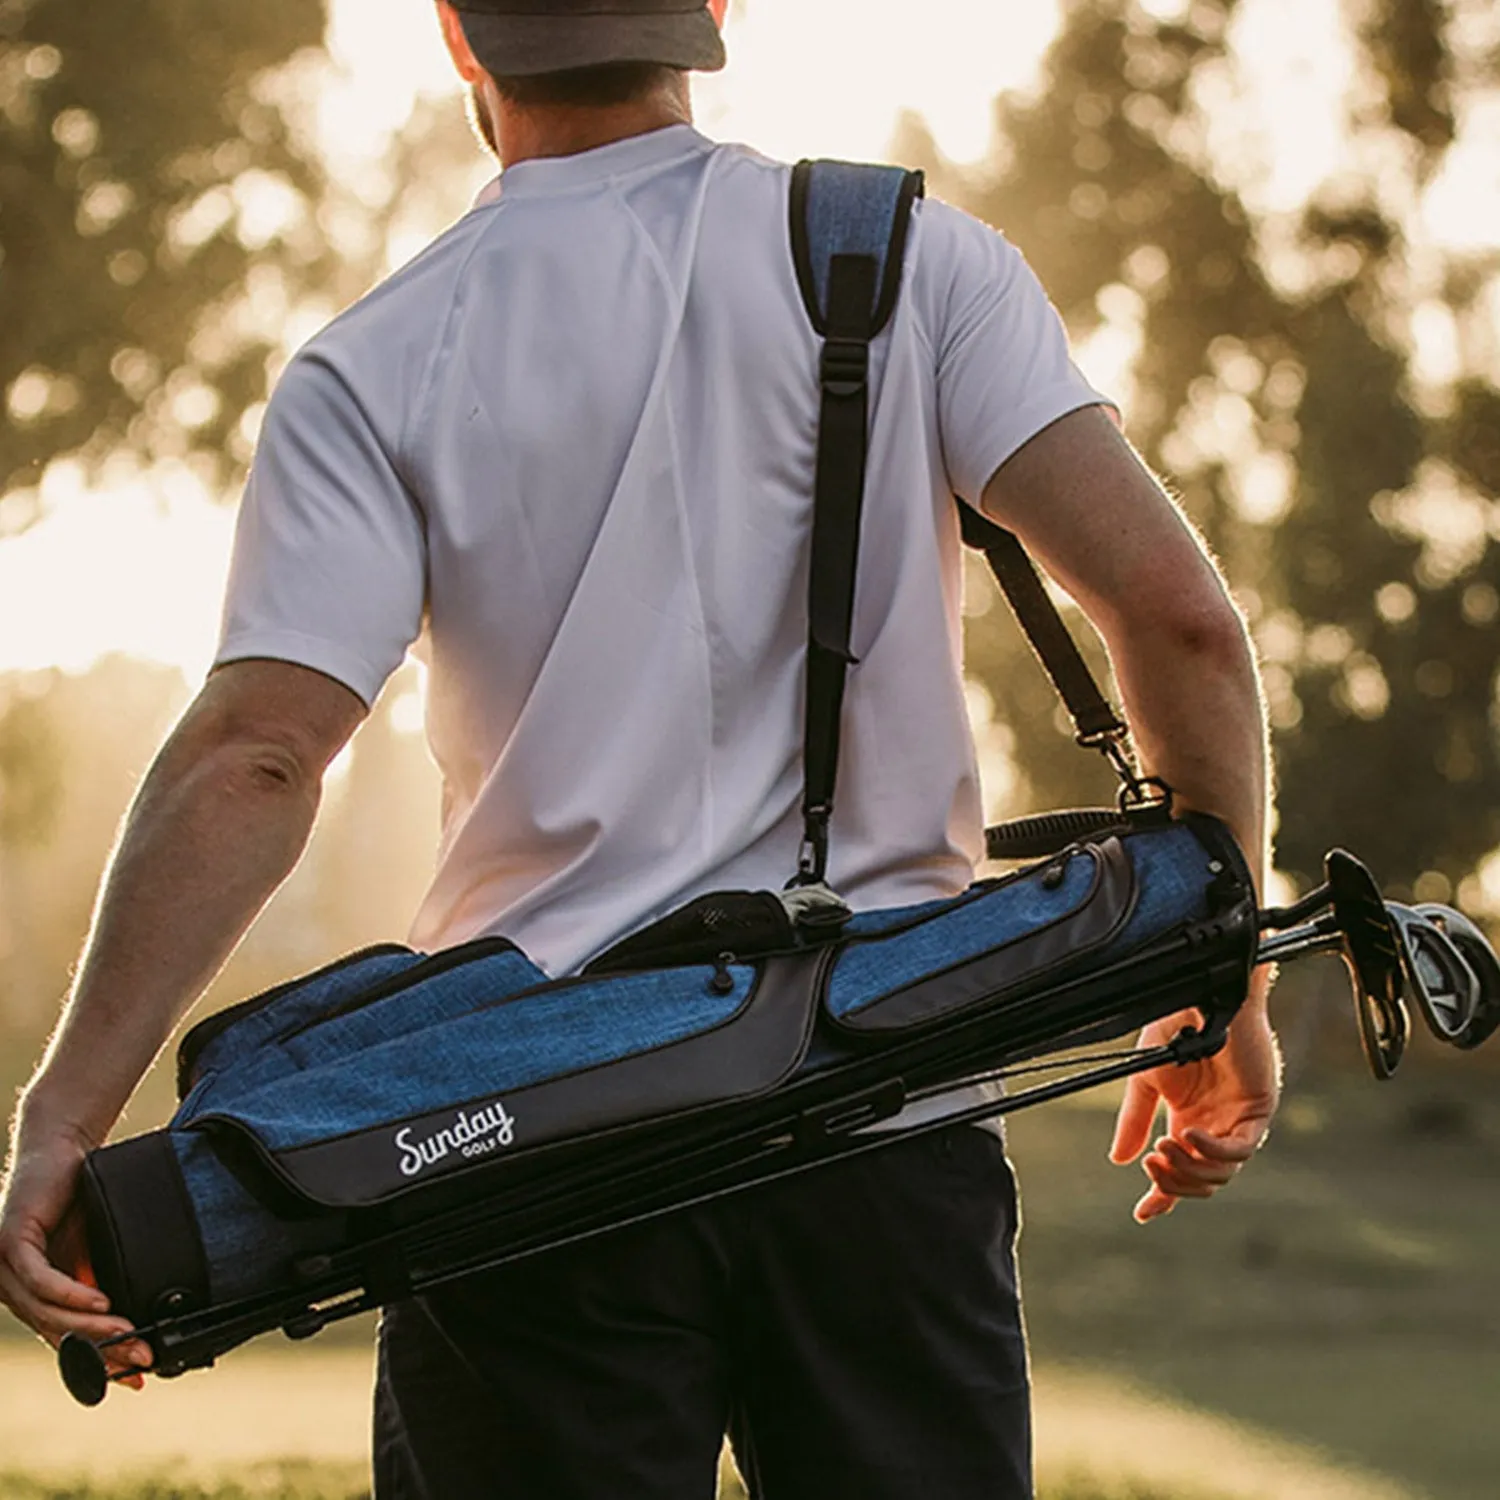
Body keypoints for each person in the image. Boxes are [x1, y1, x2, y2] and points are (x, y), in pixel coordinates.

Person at [0, 1, 1279, 1494]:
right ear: (713, 12)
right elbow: (1178, 617)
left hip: (529, 1154)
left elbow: (259, 760)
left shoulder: (377, 359)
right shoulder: (909, 257)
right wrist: (1220, 980)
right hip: (888, 1118)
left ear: (457, 35)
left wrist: (65, 1116)